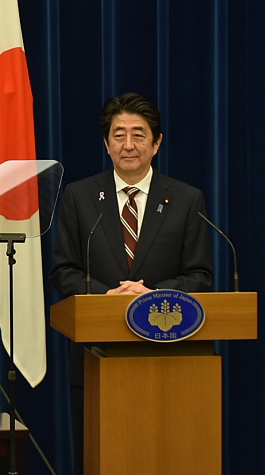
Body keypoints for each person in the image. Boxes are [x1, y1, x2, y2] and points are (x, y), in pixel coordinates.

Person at [49, 93, 213, 475]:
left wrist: (155, 297)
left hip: (170, 360)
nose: (128, 144)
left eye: (139, 135)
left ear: (156, 143)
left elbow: (200, 275)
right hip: (96, 357)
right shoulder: (80, 196)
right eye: (118, 134)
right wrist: (108, 297)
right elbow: (63, 271)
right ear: (106, 144)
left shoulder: (187, 200)